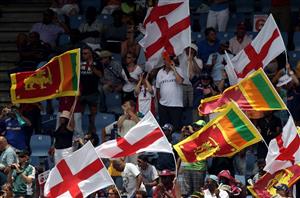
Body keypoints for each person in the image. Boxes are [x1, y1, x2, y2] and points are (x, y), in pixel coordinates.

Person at [156, 54, 184, 131]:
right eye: (166, 60)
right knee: (164, 129)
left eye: (169, 60)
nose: (167, 62)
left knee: (176, 128)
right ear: (164, 61)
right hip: (163, 105)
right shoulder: (160, 72)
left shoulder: (178, 70)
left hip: (176, 104)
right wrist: (160, 102)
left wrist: (174, 69)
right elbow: (158, 89)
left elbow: (180, 81)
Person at [80, 47, 102, 133]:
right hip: (82, 92)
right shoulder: (80, 63)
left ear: (90, 54)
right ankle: (81, 131)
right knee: (79, 113)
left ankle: (92, 131)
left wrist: (92, 67)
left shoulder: (97, 63)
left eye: (85, 53)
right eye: (83, 53)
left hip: (93, 92)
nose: (83, 55)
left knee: (93, 114)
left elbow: (100, 75)